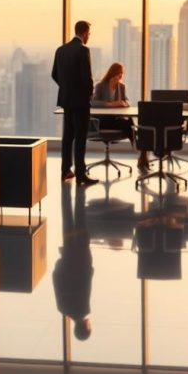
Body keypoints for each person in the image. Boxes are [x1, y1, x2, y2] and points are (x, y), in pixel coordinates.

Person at [52, 21, 98, 185]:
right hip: (80, 101)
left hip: (66, 99)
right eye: (89, 34)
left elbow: (54, 74)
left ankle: (65, 171)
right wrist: (89, 93)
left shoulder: (61, 50)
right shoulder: (83, 50)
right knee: (80, 137)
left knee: (67, 136)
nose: (88, 37)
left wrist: (66, 88)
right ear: (85, 33)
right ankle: (80, 174)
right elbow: (87, 77)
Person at [52, 184, 93, 341]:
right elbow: (56, 278)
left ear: (86, 327)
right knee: (67, 219)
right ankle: (66, 188)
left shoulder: (84, 309)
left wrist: (90, 269)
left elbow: (86, 282)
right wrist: (61, 262)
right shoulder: (62, 308)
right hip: (68, 256)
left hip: (81, 257)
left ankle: (81, 190)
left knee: (81, 220)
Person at [91, 63, 150, 172]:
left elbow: (127, 101)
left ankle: (142, 153)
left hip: (115, 119)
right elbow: (93, 103)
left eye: (122, 74)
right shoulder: (100, 85)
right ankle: (142, 153)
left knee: (130, 122)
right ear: (112, 73)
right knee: (128, 124)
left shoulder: (121, 86)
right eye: (119, 73)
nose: (120, 76)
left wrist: (123, 103)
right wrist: (109, 104)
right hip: (102, 120)